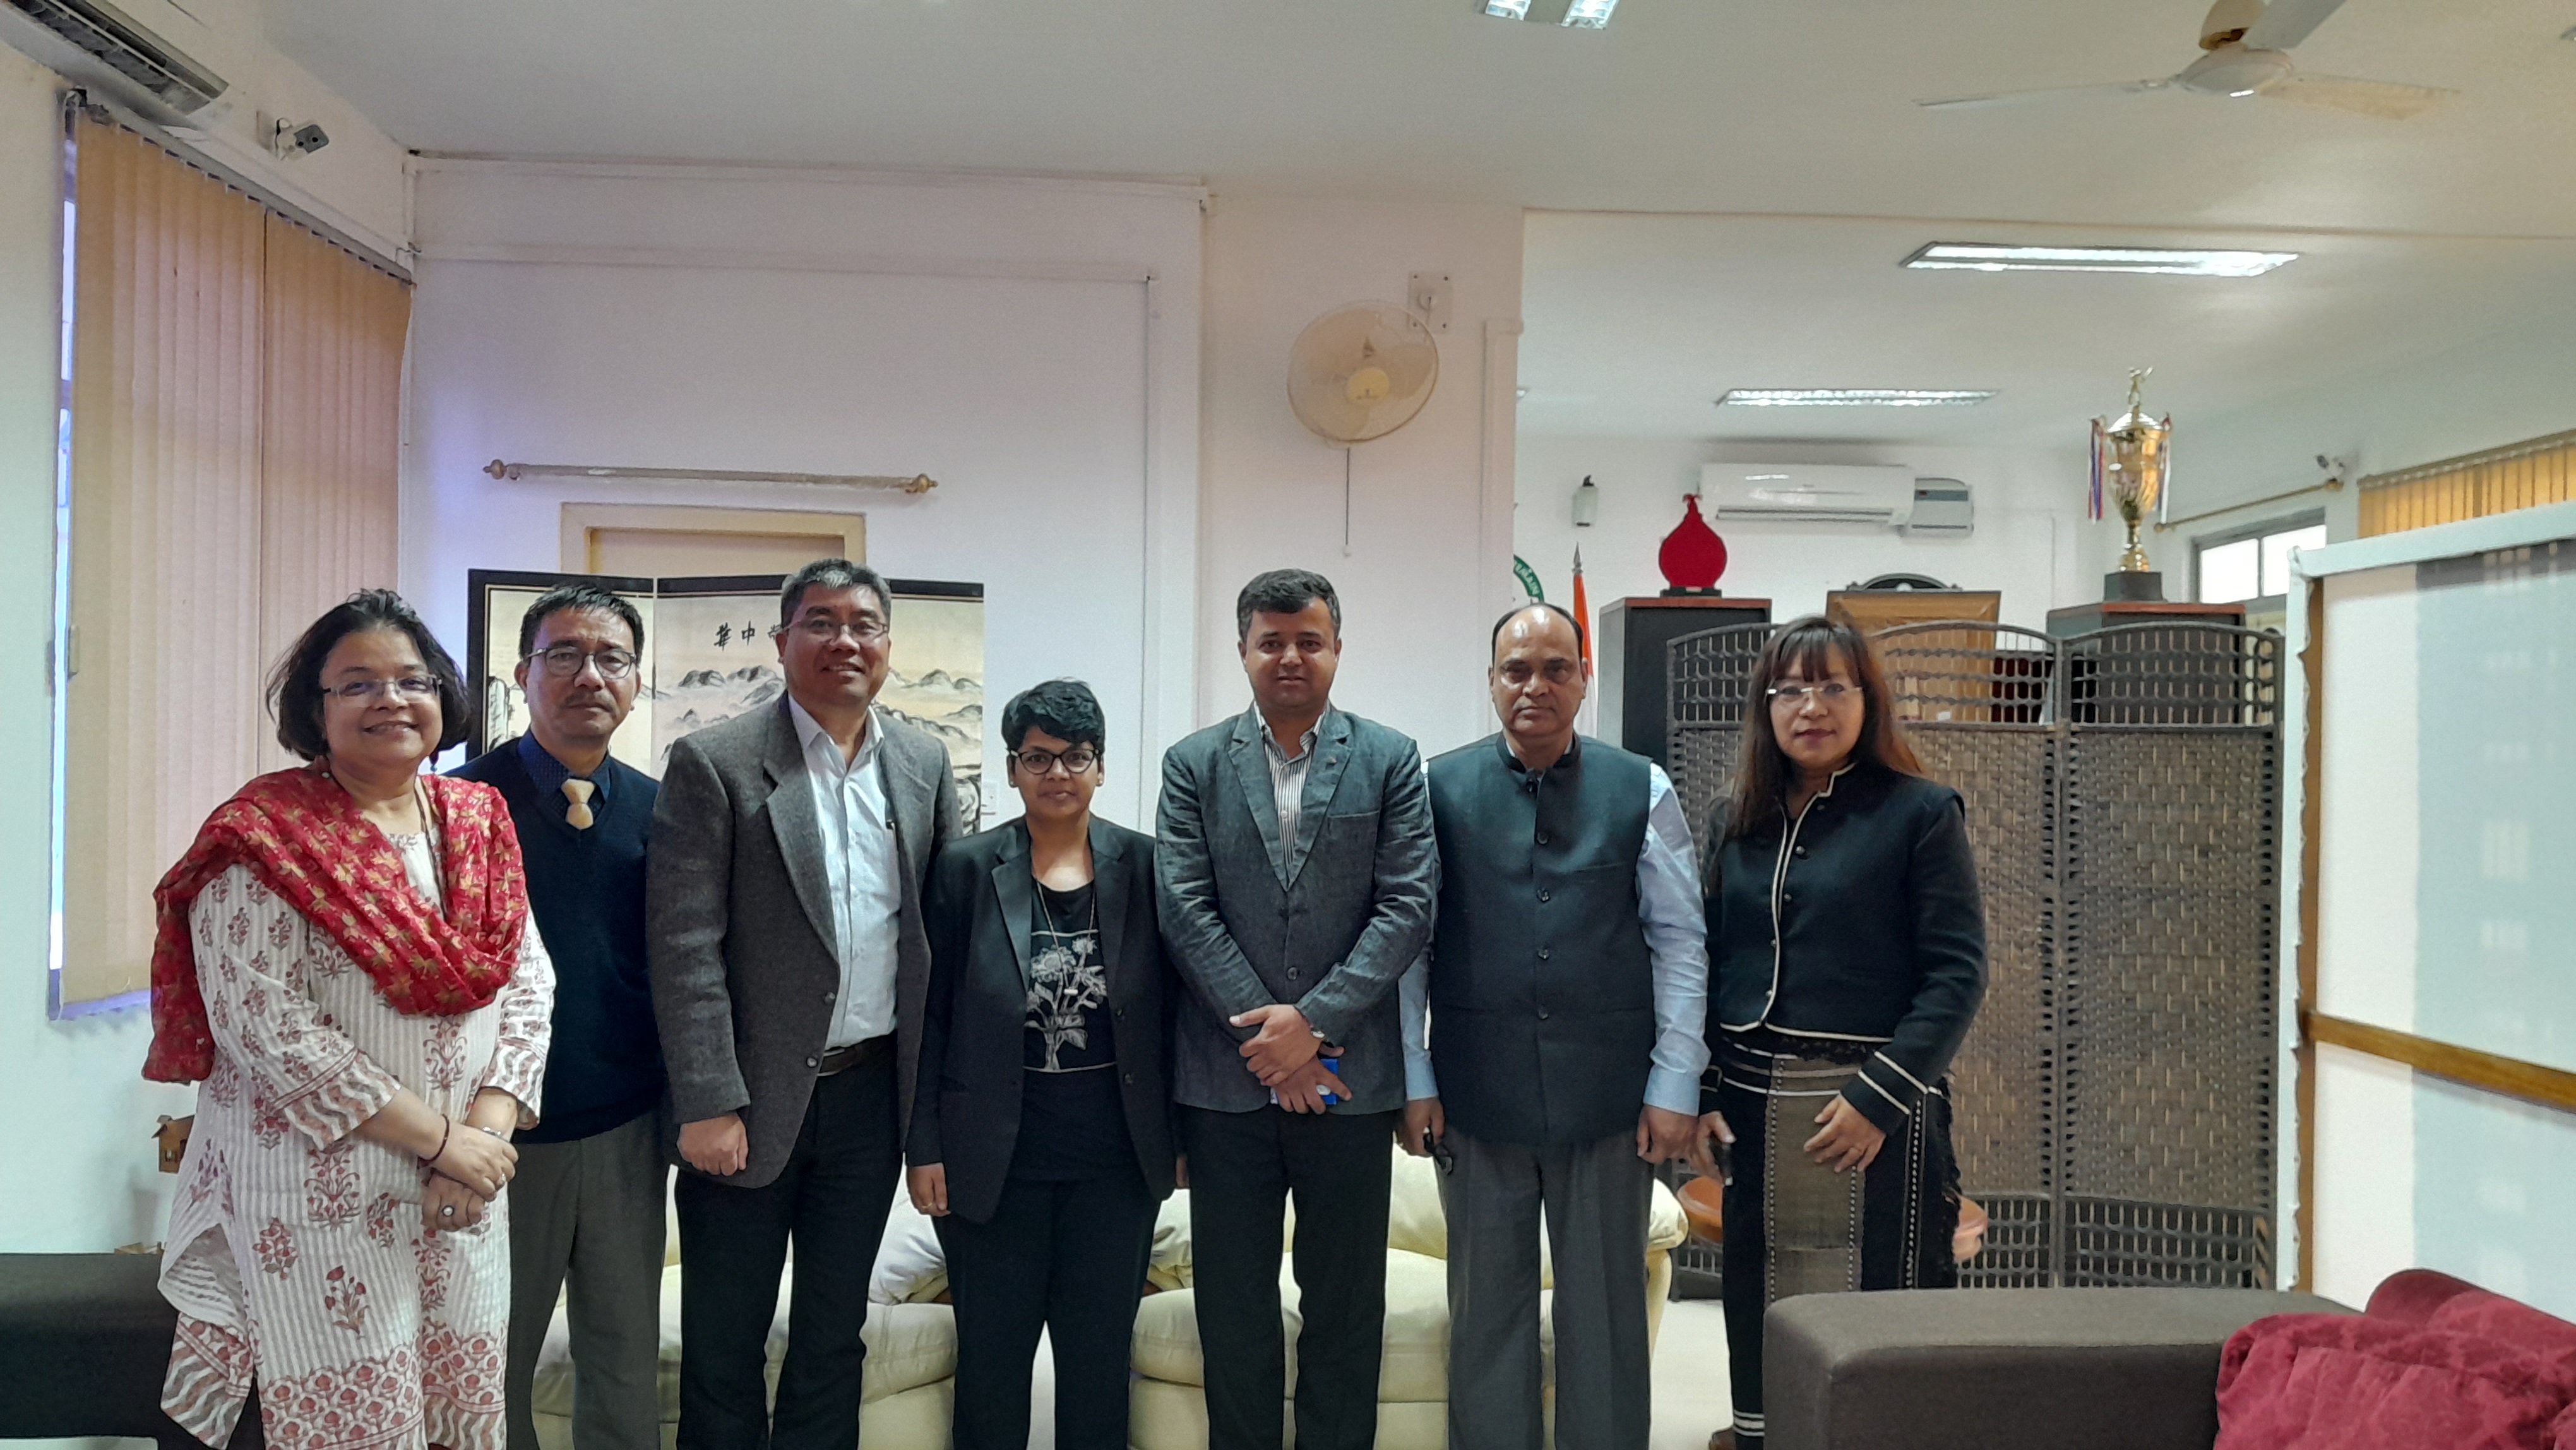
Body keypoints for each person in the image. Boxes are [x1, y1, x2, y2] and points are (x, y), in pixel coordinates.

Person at [146, 589, 555, 1450]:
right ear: (314, 708)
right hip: (311, 1201)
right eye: (357, 683)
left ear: (444, 697)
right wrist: (443, 1143)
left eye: (412, 679)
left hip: (461, 1199)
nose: (391, 700)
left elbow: (527, 982)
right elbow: (267, 1029)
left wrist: (479, 1140)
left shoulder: (478, 820)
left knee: (452, 1404)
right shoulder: (261, 836)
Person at [648, 558, 961, 1450]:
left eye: (863, 624)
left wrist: (926, 1122)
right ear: (783, 642)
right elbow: (682, 945)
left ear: (888, 647)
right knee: (724, 1344)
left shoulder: (924, 765)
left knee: (832, 1339)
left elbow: (933, 952)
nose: (844, 641)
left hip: (867, 1103)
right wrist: (708, 1099)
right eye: (820, 623)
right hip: (746, 1104)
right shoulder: (717, 763)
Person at [1398, 602, 1710, 1450]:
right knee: (1486, 1318)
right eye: (1516, 670)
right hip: (1476, 1091)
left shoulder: (1641, 785)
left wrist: (1674, 1083)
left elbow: (1680, 943)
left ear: (1584, 678)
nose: (1535, 685)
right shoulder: (1435, 788)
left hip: (1610, 1099)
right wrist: (1416, 1080)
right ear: (1492, 681)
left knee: (1604, 1317)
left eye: (1555, 669)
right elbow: (1409, 948)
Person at [1155, 567, 1438, 1450]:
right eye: (1271, 640)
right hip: (1226, 1085)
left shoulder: (1390, 758)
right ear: (1242, 649)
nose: (1289, 656)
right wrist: (1272, 1042)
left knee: (1347, 1303)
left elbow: (1409, 904)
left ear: (1336, 651)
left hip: (1350, 1082)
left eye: (1308, 640)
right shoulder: (1193, 764)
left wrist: (1312, 1028)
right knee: (1234, 1307)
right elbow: (1184, 908)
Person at [1692, 615, 1987, 1450]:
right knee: (1765, 1308)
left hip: (1878, 1114)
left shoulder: (1921, 813)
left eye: (1831, 686)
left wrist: (1878, 1101)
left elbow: (1958, 974)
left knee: (1883, 1322)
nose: (1808, 707)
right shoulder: (1733, 819)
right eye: (1788, 689)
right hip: (1752, 1106)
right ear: (1765, 707)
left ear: (1867, 699)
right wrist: (1705, 1092)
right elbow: (1708, 964)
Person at [905, 678, 1178, 1450]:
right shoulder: (964, 869)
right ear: (1013, 768)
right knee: (992, 1369)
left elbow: (1176, 1018)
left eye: (1076, 757)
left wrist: (1181, 1137)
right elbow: (930, 1017)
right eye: (1038, 757)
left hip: (1115, 1165)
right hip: (992, 1165)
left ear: (1101, 767)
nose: (1057, 773)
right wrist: (922, 1144)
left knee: (1097, 1371)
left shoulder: (1149, 867)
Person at [451, 583, 665, 1450]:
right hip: (497, 1134)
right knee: (490, 1358)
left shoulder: (664, 809)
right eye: (565, 655)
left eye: (611, 658)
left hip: (627, 1126)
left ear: (635, 683)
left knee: (622, 1358)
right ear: (521, 674)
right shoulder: (462, 806)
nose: (590, 676)